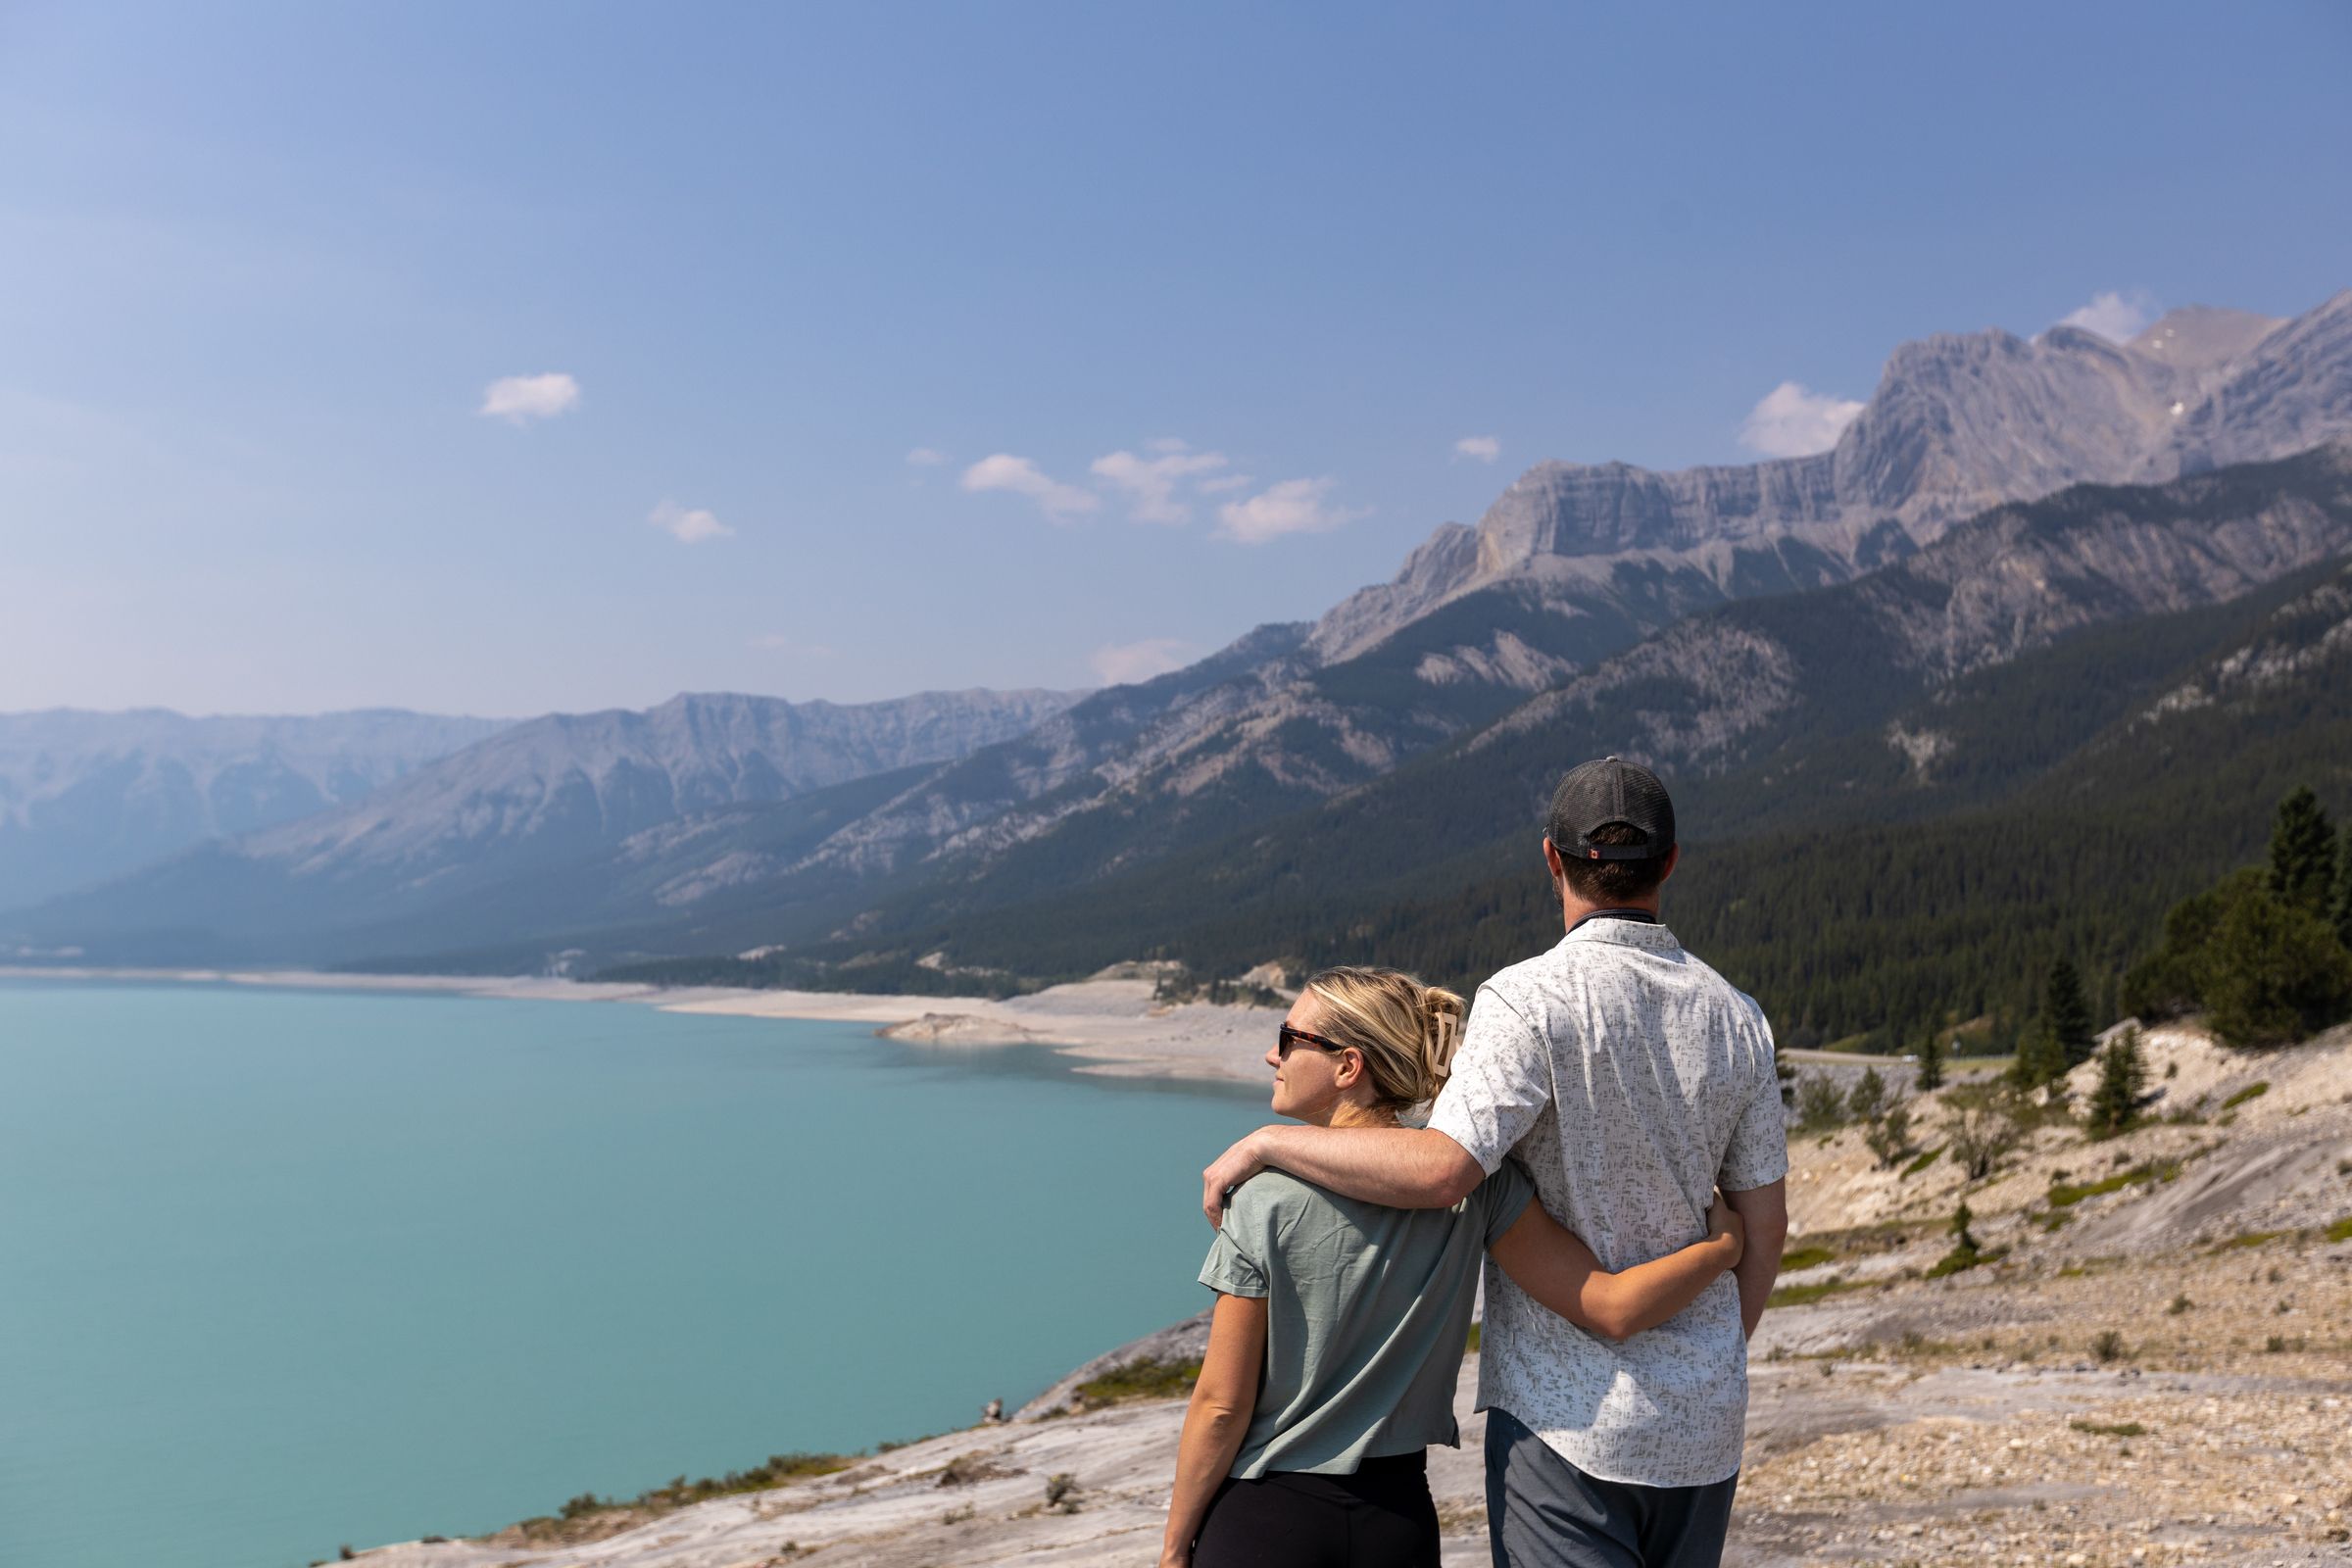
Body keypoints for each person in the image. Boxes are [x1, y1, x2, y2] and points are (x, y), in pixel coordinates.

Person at [1199, 757, 1788, 1568]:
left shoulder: (1527, 999)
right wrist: (1713, 1358)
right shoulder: (1739, 1018)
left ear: (1553, 858)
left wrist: (1268, 1142)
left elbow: (1444, 1170)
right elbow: (1764, 1223)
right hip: (1704, 1432)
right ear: (1672, 862)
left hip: (1564, 1422)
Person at [1161, 964, 1747, 1568]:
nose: (1270, 1055)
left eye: (1289, 1039)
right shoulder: (1483, 1192)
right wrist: (1720, 1251)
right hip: (1397, 1524)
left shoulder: (1261, 1200)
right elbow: (1611, 1306)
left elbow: (1222, 1405)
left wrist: (1175, 1549)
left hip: (1266, 1520)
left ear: (1348, 1066)